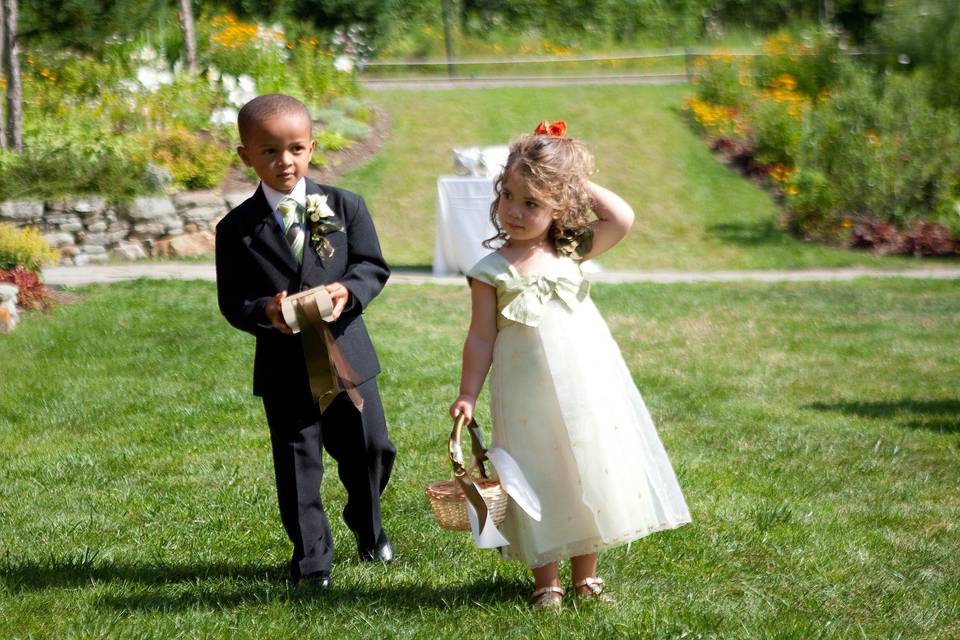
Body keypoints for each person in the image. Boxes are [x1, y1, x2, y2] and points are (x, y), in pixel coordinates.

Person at [450, 120, 691, 610]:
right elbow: (479, 338)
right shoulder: (490, 270)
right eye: (509, 197)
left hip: (585, 388)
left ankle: (586, 577)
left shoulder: (570, 248)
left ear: (560, 205)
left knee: (586, 470)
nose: (515, 211)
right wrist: (468, 393)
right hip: (525, 397)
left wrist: (570, 178)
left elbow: (621, 217)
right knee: (536, 475)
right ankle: (547, 581)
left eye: (533, 203)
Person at [216, 94, 395, 590]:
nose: (284, 161)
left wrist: (348, 290)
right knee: (299, 467)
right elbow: (233, 300)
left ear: (312, 148)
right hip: (285, 366)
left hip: (349, 357)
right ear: (246, 156)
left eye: (295, 148)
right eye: (269, 151)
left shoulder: (344, 206)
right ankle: (312, 560)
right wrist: (266, 311)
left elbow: (371, 267)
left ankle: (370, 526)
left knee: (372, 450)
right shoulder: (235, 230)